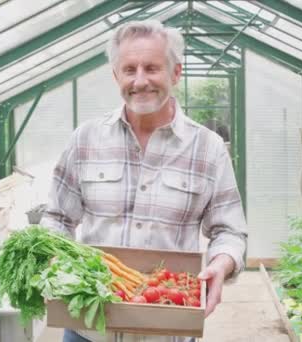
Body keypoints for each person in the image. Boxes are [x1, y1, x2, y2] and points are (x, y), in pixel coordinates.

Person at [41, 19, 248, 342]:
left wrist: (221, 266)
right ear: (115, 75)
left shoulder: (207, 148)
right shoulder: (86, 139)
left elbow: (230, 231)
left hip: (167, 331)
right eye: (129, 69)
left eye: (152, 68)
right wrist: (54, 257)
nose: (140, 81)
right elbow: (57, 218)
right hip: (89, 330)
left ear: (175, 73)